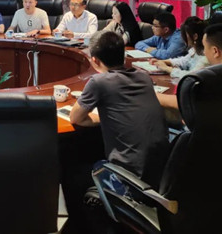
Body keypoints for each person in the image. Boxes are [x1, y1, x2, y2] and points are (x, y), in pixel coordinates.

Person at [70, 31, 169, 186]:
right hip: (160, 172)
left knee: (72, 172)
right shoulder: (144, 77)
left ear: (94, 60)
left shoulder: (99, 82)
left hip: (129, 179)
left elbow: (75, 118)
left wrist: (101, 119)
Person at [156, 22, 222, 111]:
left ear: (215, 51)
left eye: (205, 48)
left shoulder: (217, 77)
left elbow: (188, 103)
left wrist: (153, 95)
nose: (204, 53)